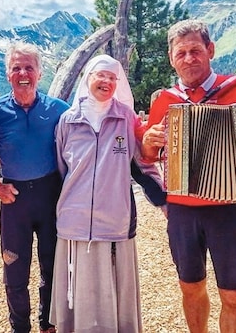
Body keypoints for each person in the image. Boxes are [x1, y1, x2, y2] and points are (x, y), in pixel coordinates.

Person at [141, 19, 236, 333]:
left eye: (195, 50)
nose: (189, 58)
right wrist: (148, 142)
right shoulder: (164, 101)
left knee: (234, 296)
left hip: (231, 209)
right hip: (181, 211)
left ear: (210, 50)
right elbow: (149, 156)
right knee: (190, 287)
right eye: (181, 53)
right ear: (172, 58)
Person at [50, 54, 165, 332]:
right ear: (87, 78)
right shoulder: (67, 121)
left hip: (114, 222)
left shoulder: (126, 119)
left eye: (113, 77)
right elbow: (61, 169)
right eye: (100, 75)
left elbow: (142, 163)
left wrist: (164, 201)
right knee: (79, 290)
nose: (106, 81)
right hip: (75, 224)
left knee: (114, 292)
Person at [0, 41, 70, 333]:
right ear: (7, 74)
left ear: (39, 72)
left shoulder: (58, 110)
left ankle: (48, 324)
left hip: (50, 195)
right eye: (16, 68)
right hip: (13, 199)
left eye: (29, 67)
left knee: (52, 265)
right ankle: (20, 327)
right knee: (14, 268)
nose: (23, 73)